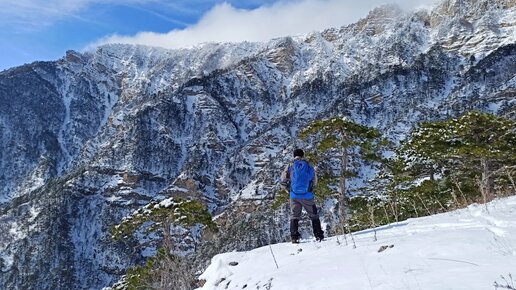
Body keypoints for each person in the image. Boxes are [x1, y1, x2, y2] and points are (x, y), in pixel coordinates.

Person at [281, 149, 324, 243]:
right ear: (303, 155)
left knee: (294, 216)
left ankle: (294, 237)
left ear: (294, 156)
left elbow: (283, 180)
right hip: (307, 195)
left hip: (294, 196)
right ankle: (318, 236)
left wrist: (289, 190)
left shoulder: (290, 165)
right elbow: (315, 181)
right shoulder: (309, 166)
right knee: (314, 215)